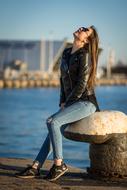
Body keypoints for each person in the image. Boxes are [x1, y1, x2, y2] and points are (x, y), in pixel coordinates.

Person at [15, 25, 100, 181]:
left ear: (87, 40)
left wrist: (68, 102)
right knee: (53, 130)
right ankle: (35, 167)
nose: (80, 29)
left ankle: (59, 164)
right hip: (71, 101)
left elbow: (82, 83)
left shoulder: (84, 54)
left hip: (86, 103)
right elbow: (63, 80)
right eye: (81, 27)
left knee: (52, 121)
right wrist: (62, 100)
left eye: (85, 30)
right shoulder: (67, 53)